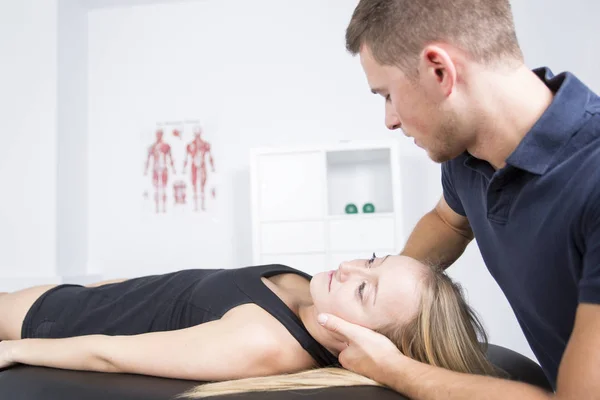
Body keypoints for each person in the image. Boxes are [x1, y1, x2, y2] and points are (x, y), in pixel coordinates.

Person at [316, 1, 600, 399]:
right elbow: (447, 221)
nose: (390, 120)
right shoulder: (467, 154)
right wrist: (378, 306)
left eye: (388, 95)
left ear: (439, 71)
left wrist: (393, 366)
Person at [0, 255, 498, 398]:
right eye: (372, 259)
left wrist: (19, 351)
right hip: (80, 298)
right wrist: (96, 286)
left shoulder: (266, 344)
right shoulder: (309, 290)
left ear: (368, 340)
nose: (349, 268)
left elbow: (108, 354)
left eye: (363, 290)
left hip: (53, 322)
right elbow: (178, 283)